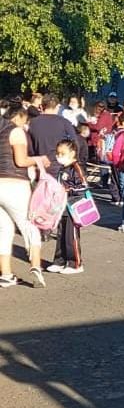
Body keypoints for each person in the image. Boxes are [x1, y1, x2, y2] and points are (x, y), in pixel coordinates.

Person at [0, 102, 50, 288]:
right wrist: (39, 160)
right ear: (19, 117)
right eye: (25, 120)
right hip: (15, 185)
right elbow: (20, 161)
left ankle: (6, 274)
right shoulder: (16, 132)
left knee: (4, 230)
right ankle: (36, 268)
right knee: (30, 226)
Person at [47, 140, 88, 275]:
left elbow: (84, 186)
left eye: (62, 154)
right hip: (62, 207)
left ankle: (75, 262)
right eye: (58, 154)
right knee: (60, 235)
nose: (59, 156)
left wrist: (68, 189)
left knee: (71, 236)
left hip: (73, 207)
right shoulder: (62, 169)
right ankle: (59, 260)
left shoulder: (76, 167)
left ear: (72, 153)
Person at [28, 93, 84, 176]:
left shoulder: (32, 123)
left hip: (40, 167)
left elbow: (29, 147)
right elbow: (75, 144)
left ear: (41, 106)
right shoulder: (65, 123)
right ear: (58, 106)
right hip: (61, 168)